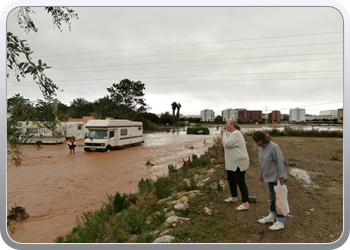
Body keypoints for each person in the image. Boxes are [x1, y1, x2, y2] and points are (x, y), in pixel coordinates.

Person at [252, 131, 287, 230]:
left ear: (262, 139)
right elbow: (261, 161)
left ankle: (280, 222)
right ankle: (271, 216)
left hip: (277, 177)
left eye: (257, 141)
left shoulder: (274, 147)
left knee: (280, 199)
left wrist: (281, 177)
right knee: (273, 198)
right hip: (269, 177)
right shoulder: (261, 148)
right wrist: (261, 173)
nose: (256, 144)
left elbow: (280, 162)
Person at [221, 119, 250, 211]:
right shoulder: (231, 134)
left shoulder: (236, 134)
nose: (225, 126)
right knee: (231, 179)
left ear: (232, 125)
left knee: (240, 181)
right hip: (232, 162)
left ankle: (245, 203)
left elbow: (226, 144)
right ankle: (234, 197)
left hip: (238, 162)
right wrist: (224, 134)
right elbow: (224, 143)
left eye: (227, 124)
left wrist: (224, 133)